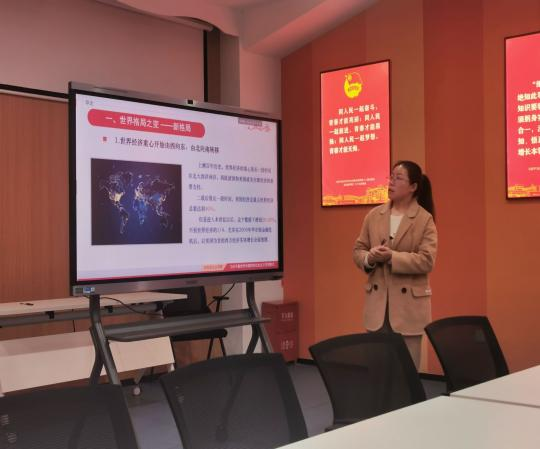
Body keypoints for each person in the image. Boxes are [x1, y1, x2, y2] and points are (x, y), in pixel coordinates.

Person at [352, 160, 437, 369]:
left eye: (398, 178)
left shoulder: (424, 219)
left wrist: (392, 257)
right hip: (377, 308)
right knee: (378, 371)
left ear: (413, 187)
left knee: (406, 372)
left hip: (409, 309)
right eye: (390, 177)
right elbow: (358, 250)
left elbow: (427, 260)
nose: (391, 182)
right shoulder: (374, 215)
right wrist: (370, 258)